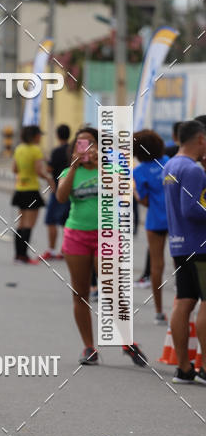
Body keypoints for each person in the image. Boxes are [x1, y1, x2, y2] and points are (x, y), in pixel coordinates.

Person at [57, 127, 148, 367]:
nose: (85, 148)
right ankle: (89, 347)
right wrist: (75, 167)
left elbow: (122, 191)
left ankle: (127, 341)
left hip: (107, 235)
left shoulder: (111, 169)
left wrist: (101, 164)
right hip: (76, 235)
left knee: (110, 288)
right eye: (80, 144)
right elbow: (61, 197)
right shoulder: (69, 172)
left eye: (89, 144)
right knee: (80, 293)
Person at [162, 119, 206, 385]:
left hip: (179, 244)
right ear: (200, 139)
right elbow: (192, 208)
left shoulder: (170, 165)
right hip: (201, 246)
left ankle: (183, 368)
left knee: (184, 301)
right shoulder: (193, 169)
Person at [133, 130, 169, 324]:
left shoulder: (139, 171)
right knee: (184, 264)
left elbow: (145, 201)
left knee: (157, 266)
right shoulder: (169, 161)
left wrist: (136, 195)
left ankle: (159, 312)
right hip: (177, 219)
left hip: (155, 221)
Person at [12, 125, 54, 264]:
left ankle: (18, 255)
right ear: (35, 136)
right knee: (29, 224)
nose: (40, 137)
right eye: (39, 135)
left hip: (20, 189)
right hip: (31, 190)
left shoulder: (19, 149)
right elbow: (38, 170)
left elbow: (14, 169)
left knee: (21, 223)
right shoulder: (36, 150)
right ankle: (24, 256)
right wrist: (47, 177)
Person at [43, 124, 71, 260]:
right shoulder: (71, 152)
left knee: (51, 220)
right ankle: (65, 249)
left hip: (57, 188)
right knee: (66, 221)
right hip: (71, 188)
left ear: (58, 135)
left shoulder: (56, 151)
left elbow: (49, 169)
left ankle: (52, 249)